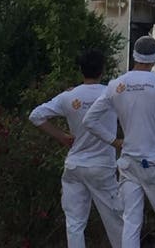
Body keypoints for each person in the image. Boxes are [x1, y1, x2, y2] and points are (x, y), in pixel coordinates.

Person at [83, 35, 155, 248]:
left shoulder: (116, 85)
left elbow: (89, 120)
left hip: (129, 162)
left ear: (134, 55)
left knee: (131, 222)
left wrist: (114, 141)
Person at [30, 49, 124, 248]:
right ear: (103, 70)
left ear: (81, 70)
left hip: (74, 165)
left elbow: (36, 116)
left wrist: (62, 136)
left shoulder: (68, 96)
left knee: (74, 223)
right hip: (102, 167)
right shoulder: (111, 94)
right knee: (116, 221)